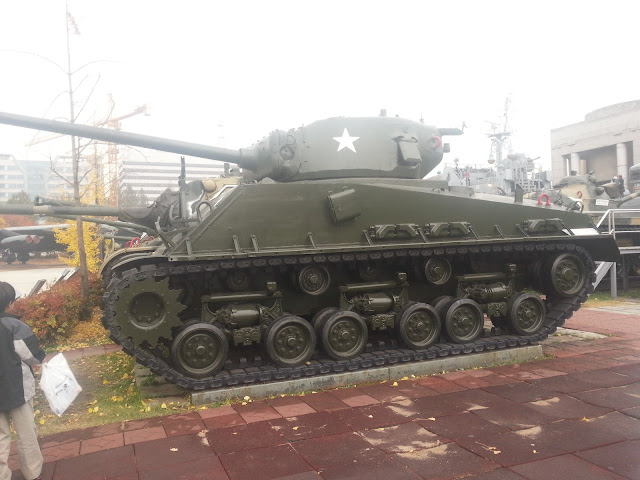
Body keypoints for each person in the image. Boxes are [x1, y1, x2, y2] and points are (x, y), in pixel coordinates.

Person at [0, 281, 45, 480]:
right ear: (8, 304)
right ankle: (32, 473)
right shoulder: (15, 325)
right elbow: (32, 356)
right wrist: (41, 358)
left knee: (1, 437)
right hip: (18, 389)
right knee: (26, 432)